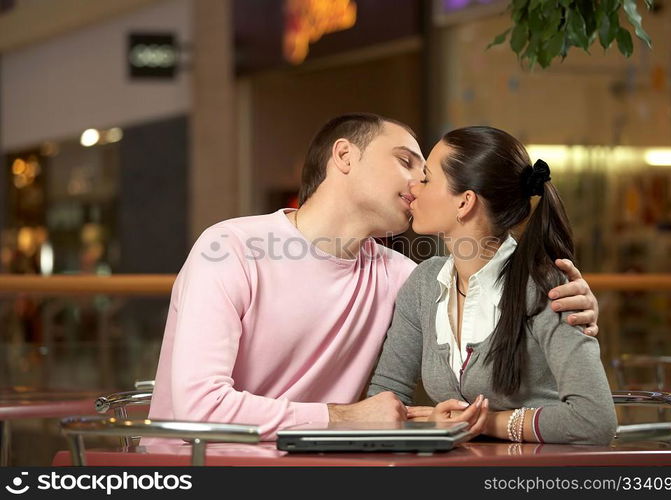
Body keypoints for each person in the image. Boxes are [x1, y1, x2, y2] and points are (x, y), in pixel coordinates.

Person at [147, 114, 600, 440]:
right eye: (407, 162)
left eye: (427, 174)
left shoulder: (405, 278)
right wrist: (347, 418)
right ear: (344, 155)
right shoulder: (230, 249)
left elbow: (496, 287)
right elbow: (198, 409)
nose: (417, 183)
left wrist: (576, 303)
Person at [367, 126, 616, 445]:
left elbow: (593, 419)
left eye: (427, 178)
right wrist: (435, 422)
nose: (415, 186)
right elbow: (384, 402)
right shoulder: (425, 284)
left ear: (464, 202)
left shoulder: (545, 287)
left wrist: (480, 423)